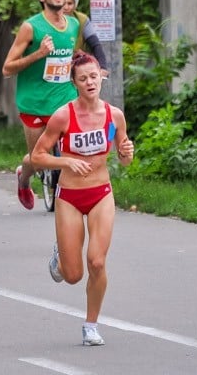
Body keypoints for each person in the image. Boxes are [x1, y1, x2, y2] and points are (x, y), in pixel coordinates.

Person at [30, 51, 135, 346]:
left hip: (101, 193)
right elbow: (37, 156)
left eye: (94, 76)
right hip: (70, 198)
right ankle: (61, 260)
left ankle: (91, 325)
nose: (90, 82)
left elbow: (124, 156)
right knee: (74, 274)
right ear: (74, 83)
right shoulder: (63, 116)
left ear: (101, 77)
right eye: (83, 78)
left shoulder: (114, 115)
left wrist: (127, 154)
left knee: (97, 262)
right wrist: (65, 162)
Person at [2, 0, 80, 210]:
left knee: (74, 152)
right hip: (34, 102)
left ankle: (74, 196)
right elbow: (7, 68)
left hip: (65, 98)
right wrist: (38, 54)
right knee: (37, 159)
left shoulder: (73, 25)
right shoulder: (31, 27)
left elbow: (69, 59)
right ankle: (23, 178)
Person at [63, 0, 109, 75]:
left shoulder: (82, 20)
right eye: (63, 3)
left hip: (76, 67)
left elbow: (95, 44)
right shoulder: (48, 20)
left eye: (70, 3)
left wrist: (102, 67)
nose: (66, 7)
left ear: (75, 5)